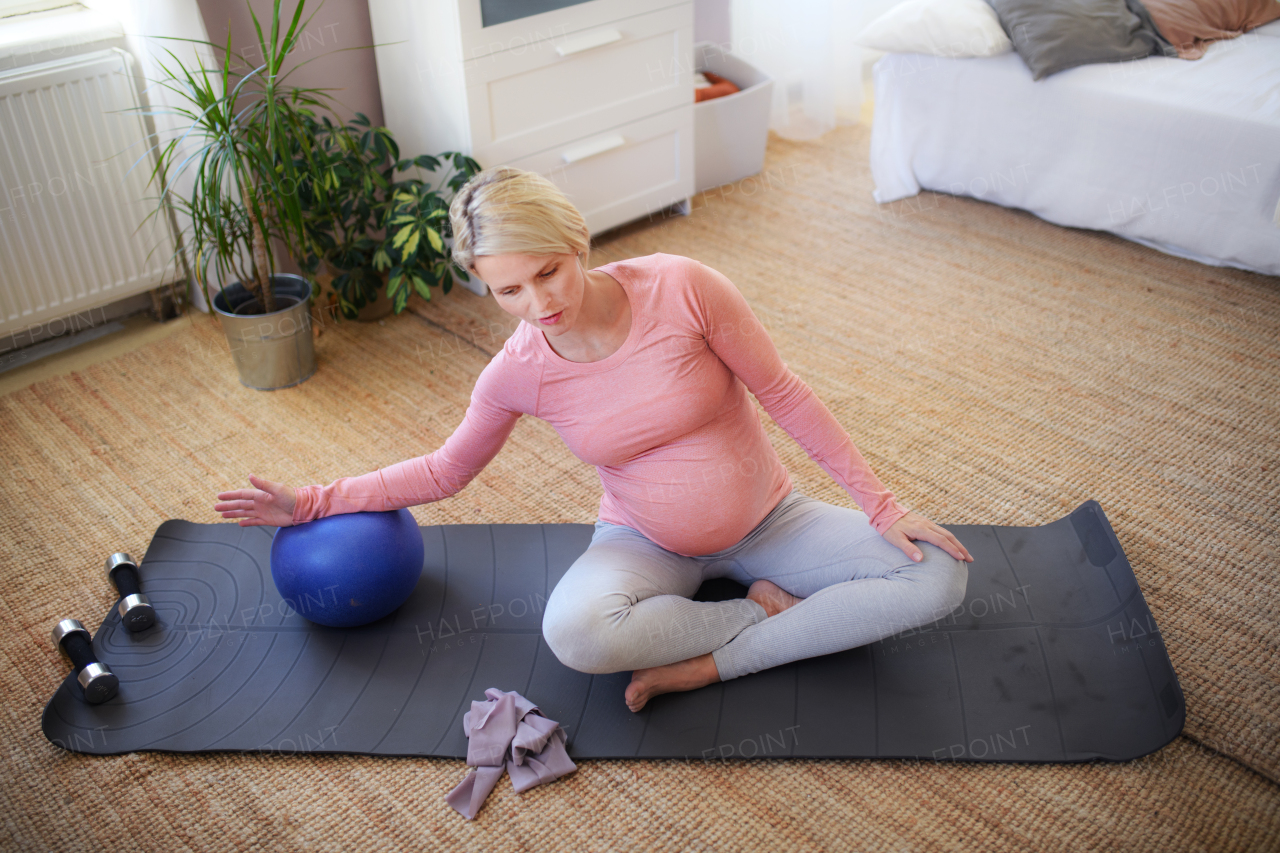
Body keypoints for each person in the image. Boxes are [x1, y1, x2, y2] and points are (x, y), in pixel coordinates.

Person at [214, 166, 973, 713]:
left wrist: (881, 505)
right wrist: (312, 501)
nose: (538, 302)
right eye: (510, 290)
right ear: (486, 284)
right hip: (644, 540)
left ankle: (711, 664)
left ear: (576, 239)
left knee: (937, 572)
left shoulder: (684, 286)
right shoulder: (516, 371)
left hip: (774, 517)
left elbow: (784, 394)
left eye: (548, 272)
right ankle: (758, 615)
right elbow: (447, 470)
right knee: (575, 636)